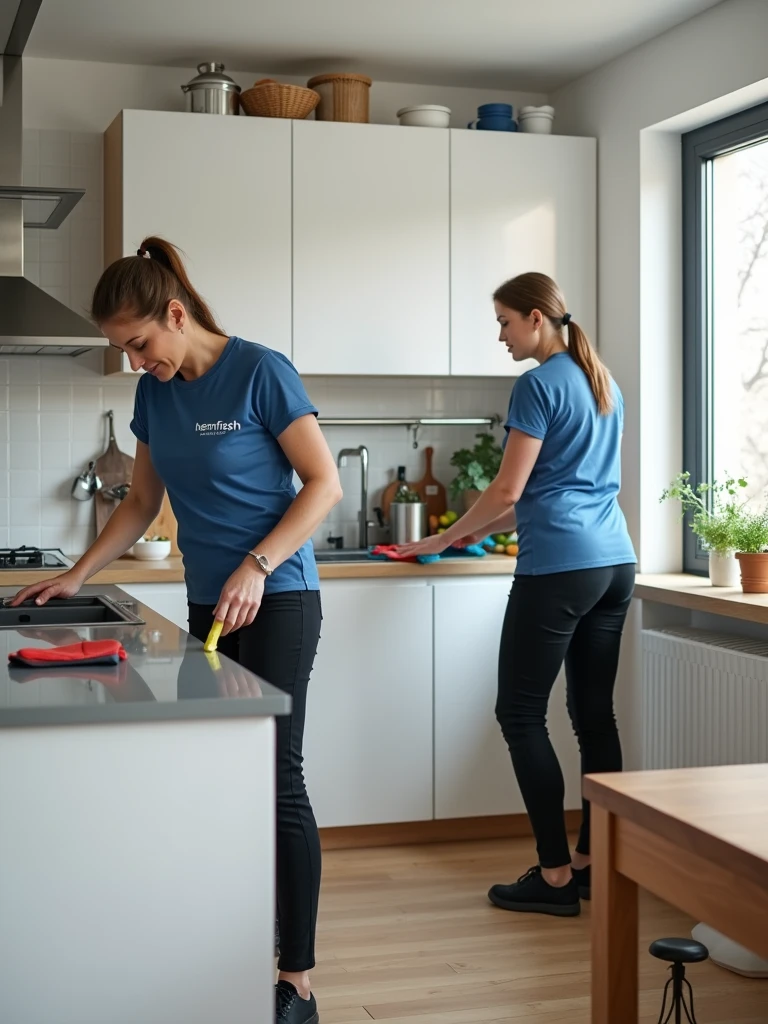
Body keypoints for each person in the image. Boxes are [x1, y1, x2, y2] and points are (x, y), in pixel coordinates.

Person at [12, 236, 341, 1023]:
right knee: (228, 777)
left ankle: (297, 980)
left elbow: (324, 484)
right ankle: (229, 939)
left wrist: (258, 564)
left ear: (175, 313)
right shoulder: (155, 396)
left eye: (138, 344)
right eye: (121, 350)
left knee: (278, 781)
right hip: (209, 603)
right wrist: (79, 575)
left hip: (280, 596)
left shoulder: (261, 370)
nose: (133, 362)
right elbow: (137, 503)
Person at [398, 272, 636, 917]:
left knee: (520, 714)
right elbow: (531, 499)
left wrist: (443, 535)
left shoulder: (536, 384)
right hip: (614, 562)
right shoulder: (602, 380)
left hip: (559, 567)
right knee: (595, 716)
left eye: (504, 321)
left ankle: (555, 878)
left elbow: (508, 492)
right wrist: (448, 540)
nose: (499, 335)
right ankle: (590, 863)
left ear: (536, 318)